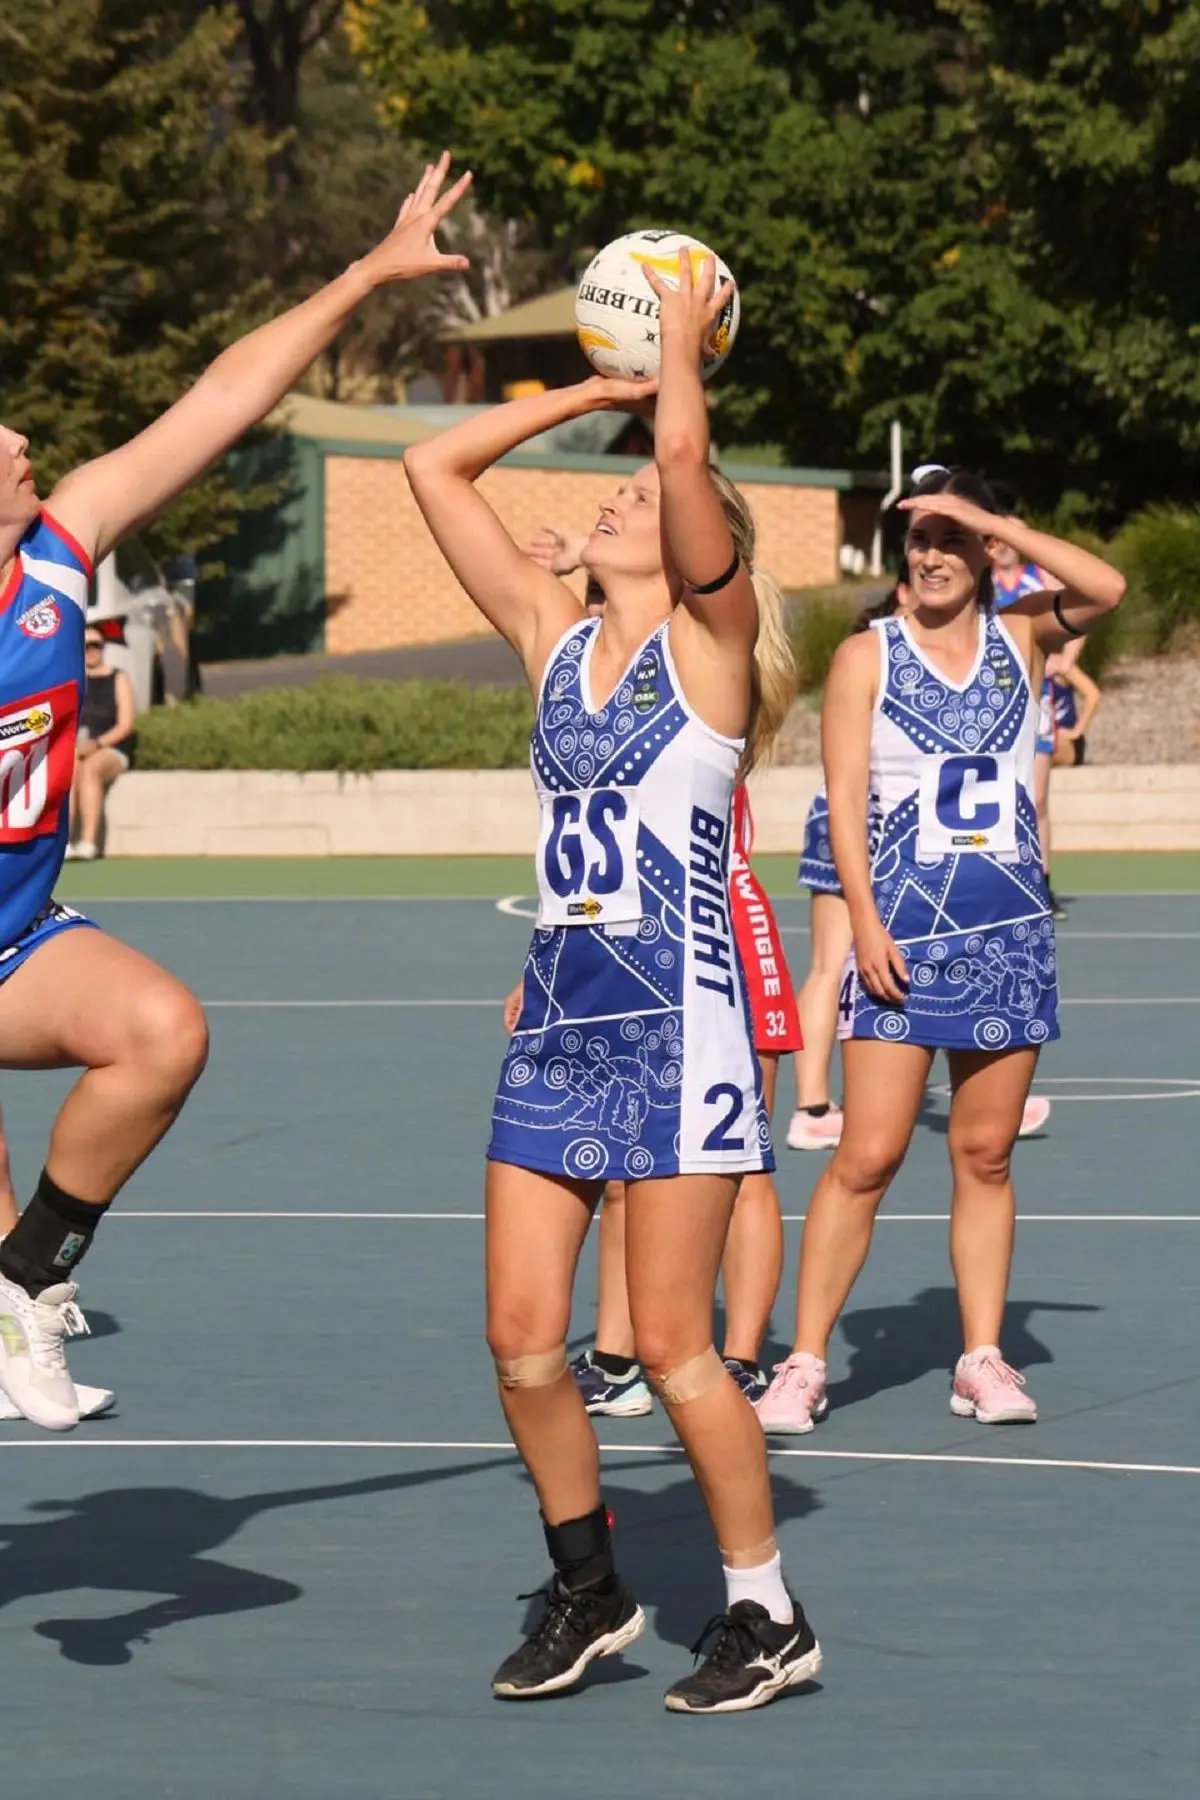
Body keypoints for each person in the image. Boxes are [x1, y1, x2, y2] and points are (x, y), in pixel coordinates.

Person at [405, 251, 822, 1714]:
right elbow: (432, 464)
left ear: (703, 544)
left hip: (679, 1031)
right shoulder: (552, 635)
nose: (620, 493)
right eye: (621, 484)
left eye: (638, 493)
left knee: (680, 1351)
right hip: (560, 1024)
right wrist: (589, 391)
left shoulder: (714, 653)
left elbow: (690, 461)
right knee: (525, 1346)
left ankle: (766, 1611)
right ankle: (590, 1589)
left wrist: (680, 356)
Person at [0, 153, 473, 1430]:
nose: (24, 440)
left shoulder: (63, 546)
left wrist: (367, 275)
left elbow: (223, 396)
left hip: (16, 938)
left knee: (165, 1032)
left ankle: (25, 1277)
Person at [757, 464, 1124, 1436]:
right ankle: (803, 1363)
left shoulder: (1022, 634)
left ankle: (981, 1357)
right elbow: (844, 803)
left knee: (987, 1154)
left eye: (951, 538)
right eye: (920, 538)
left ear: (985, 550)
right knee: (868, 1155)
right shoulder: (866, 655)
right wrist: (865, 921)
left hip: (1008, 935)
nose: (931, 555)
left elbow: (1107, 587)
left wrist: (995, 521)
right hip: (902, 940)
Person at [519, 535, 802, 1411]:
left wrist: (608, 555)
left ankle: (742, 1355)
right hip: (614, 945)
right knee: (618, 1170)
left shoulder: (702, 664)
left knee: (740, 1167)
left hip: (717, 937)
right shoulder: (600, 672)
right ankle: (616, 1356)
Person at [65, 629, 137, 861]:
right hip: (74, 749)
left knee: (91, 768)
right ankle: (64, 843)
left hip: (111, 749)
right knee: (67, 770)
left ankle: (88, 842)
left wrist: (97, 744)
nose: (92, 651)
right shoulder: (71, 680)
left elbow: (126, 724)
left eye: (96, 645)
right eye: (87, 646)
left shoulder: (118, 677)